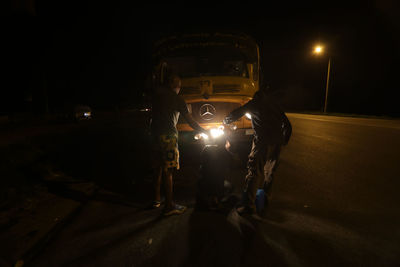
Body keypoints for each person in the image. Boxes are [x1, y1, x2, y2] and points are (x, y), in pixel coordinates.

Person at [223, 86, 292, 216]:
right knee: (269, 172)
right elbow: (288, 125)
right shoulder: (274, 105)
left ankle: (248, 206)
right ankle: (265, 201)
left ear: (255, 97)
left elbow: (237, 113)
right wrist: (284, 141)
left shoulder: (254, 103)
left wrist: (225, 120)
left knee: (254, 171)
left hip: (262, 143)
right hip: (276, 144)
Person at [150, 73, 210, 216]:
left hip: (154, 135)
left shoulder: (156, 95)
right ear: (175, 86)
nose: (179, 89)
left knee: (157, 168)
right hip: (168, 137)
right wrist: (205, 131)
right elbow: (190, 121)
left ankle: (156, 199)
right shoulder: (177, 99)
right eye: (179, 87)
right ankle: (169, 206)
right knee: (168, 170)